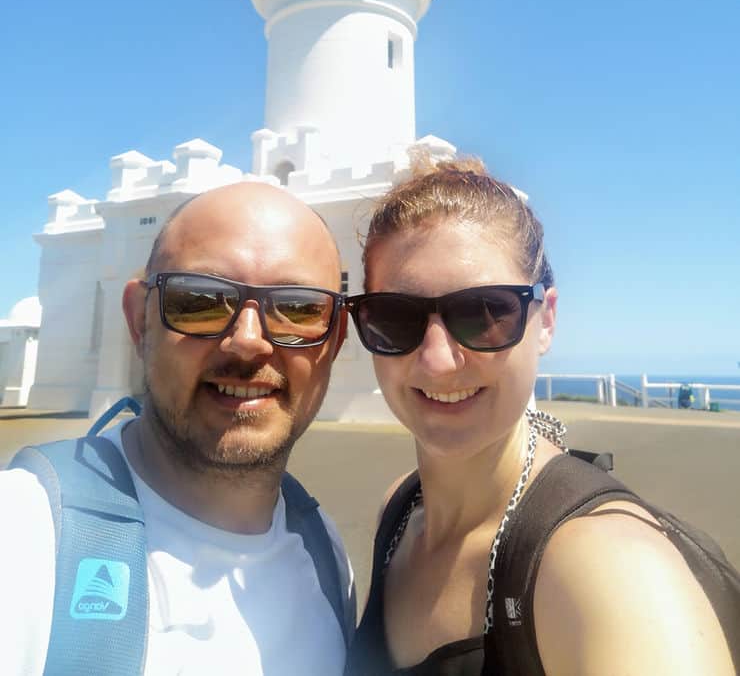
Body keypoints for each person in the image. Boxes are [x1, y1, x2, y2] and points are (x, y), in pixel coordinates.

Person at [344, 157, 734, 676]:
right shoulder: (397, 511)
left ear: (544, 320)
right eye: (393, 317)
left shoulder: (609, 571)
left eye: (483, 313)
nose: (437, 359)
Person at [0, 181, 354, 675]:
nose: (248, 342)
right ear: (139, 322)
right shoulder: (23, 534)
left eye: (298, 308)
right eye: (199, 300)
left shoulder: (328, 559)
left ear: (334, 340)